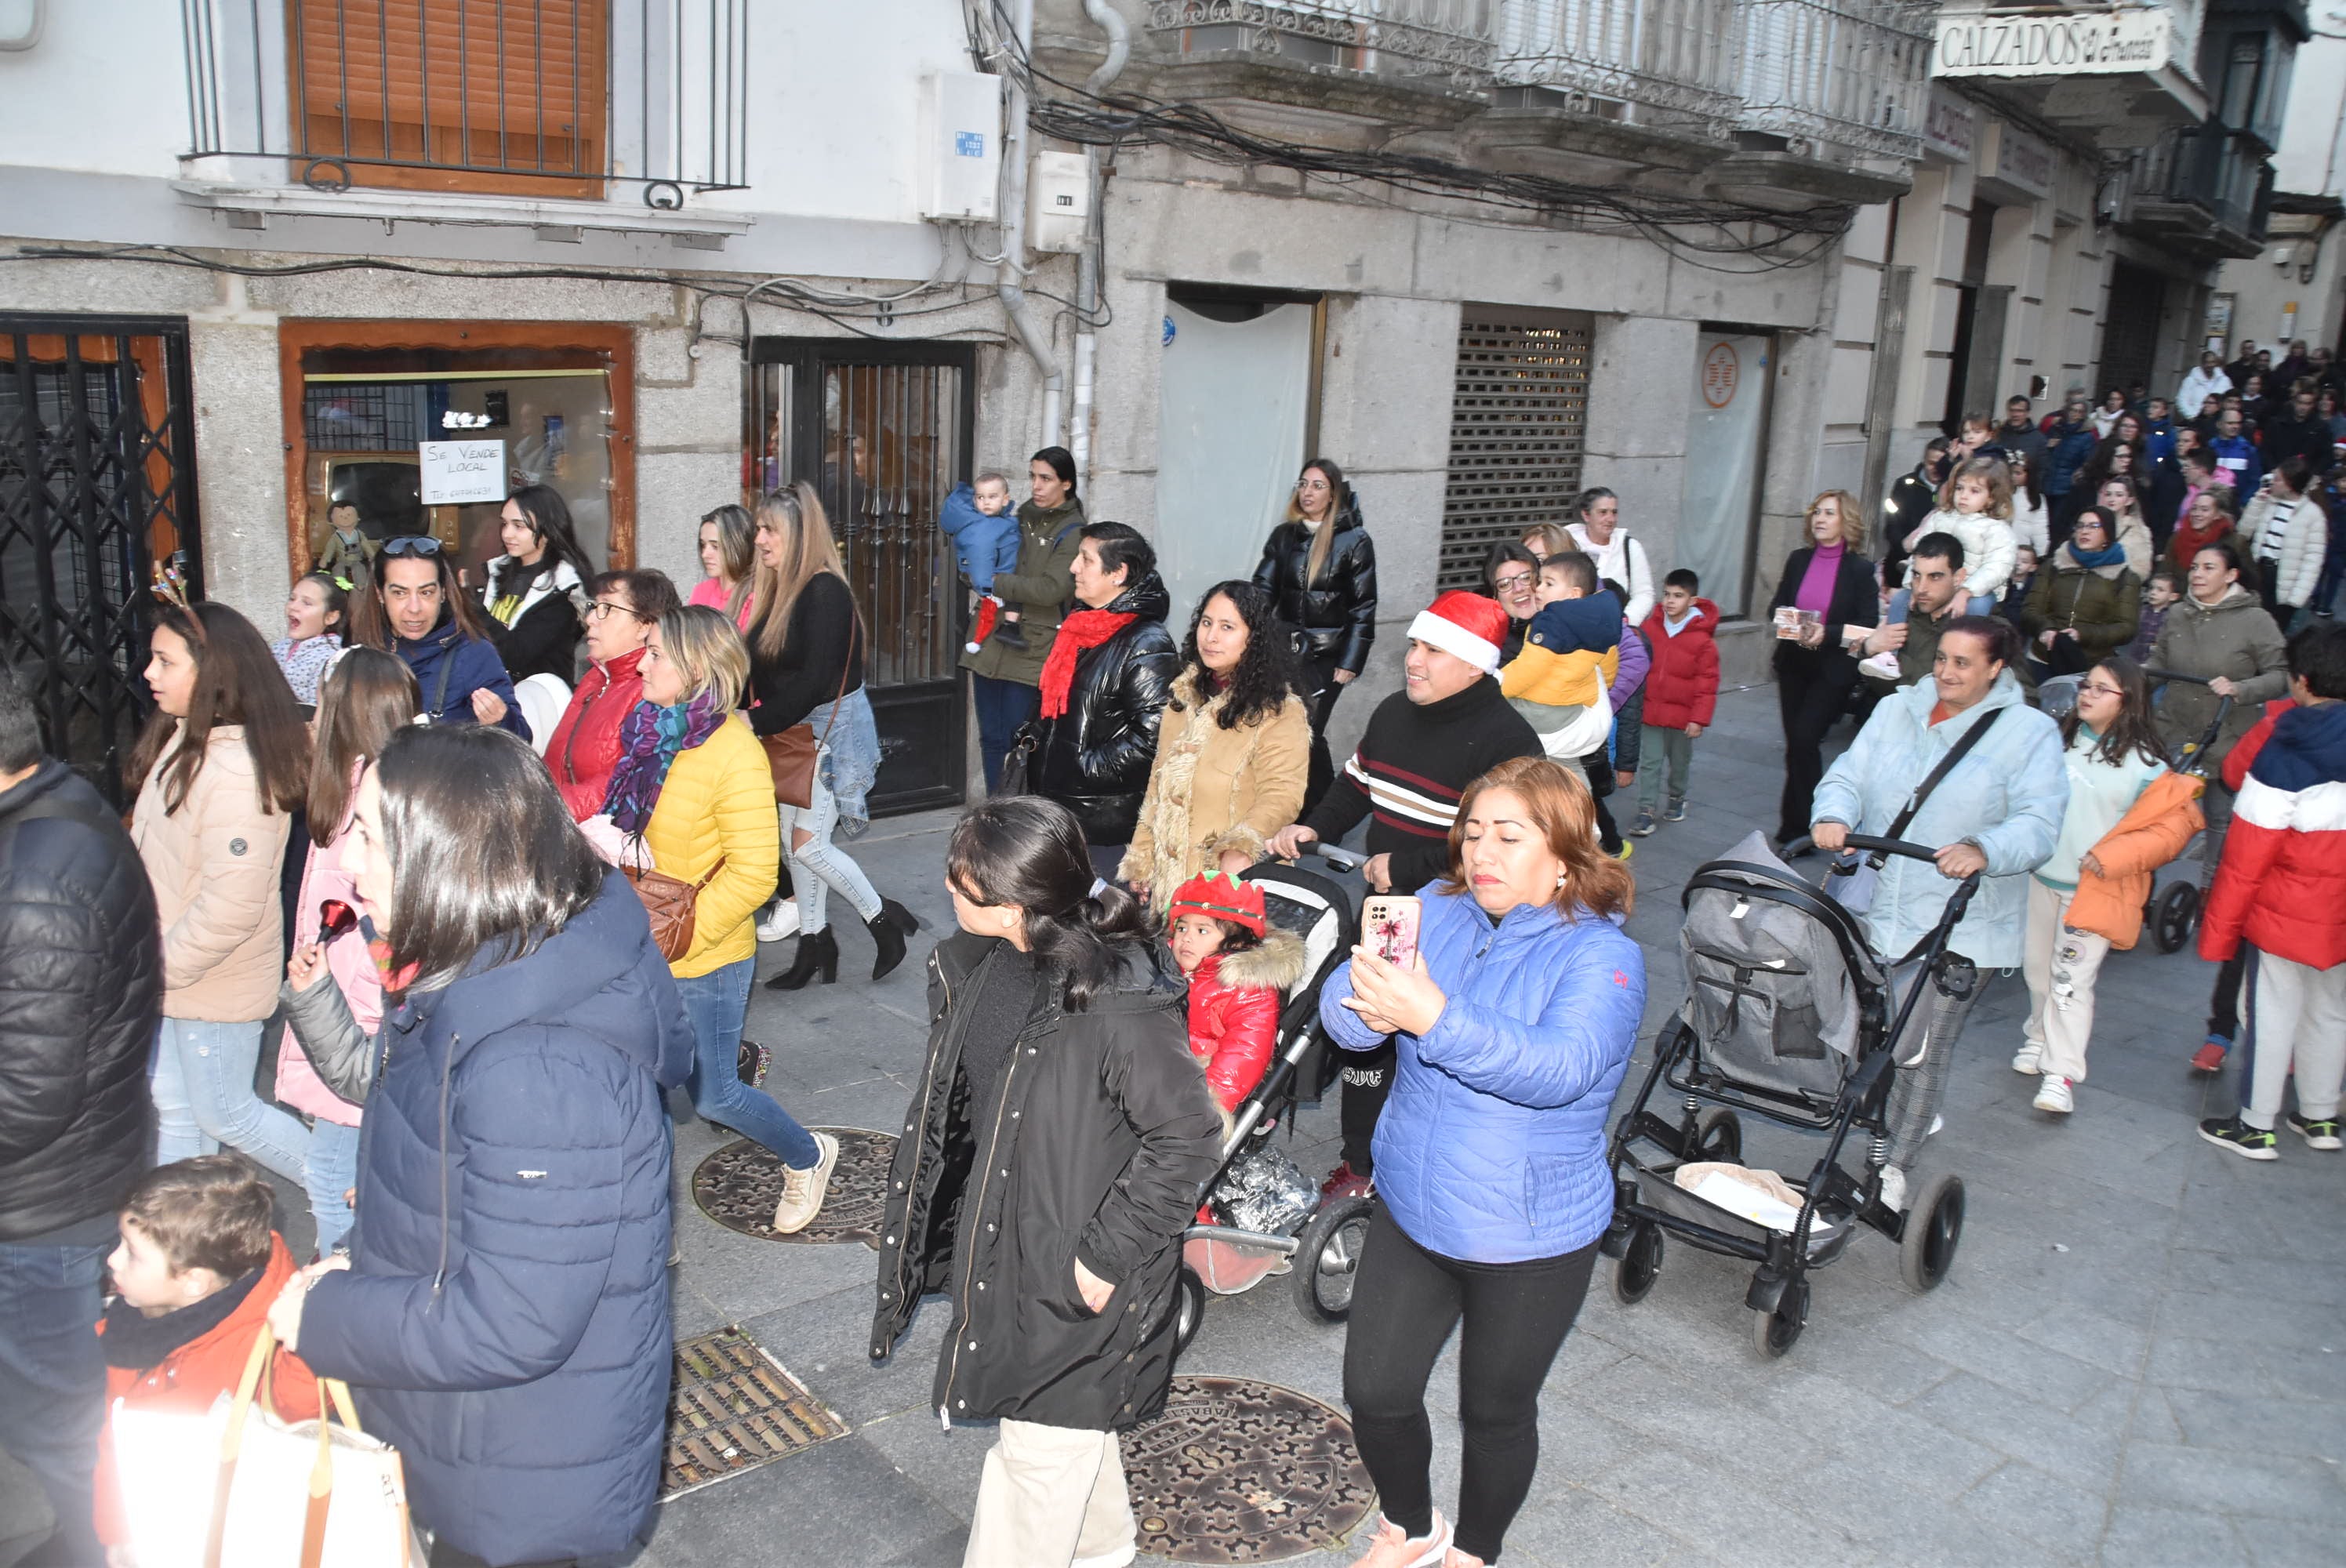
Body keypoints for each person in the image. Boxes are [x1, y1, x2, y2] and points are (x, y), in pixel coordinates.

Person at [264, 723, 693, 1568]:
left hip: (516, 1485)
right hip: (471, 1441)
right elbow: (447, 1197)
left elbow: (514, 1320)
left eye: (372, 835)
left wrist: (322, 1317)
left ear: (449, 862)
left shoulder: (537, 1061)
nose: (349, 859)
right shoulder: (476, 973)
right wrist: (363, 1258)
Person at [868, 796, 1223, 1568]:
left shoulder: (1119, 1006)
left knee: (1035, 1452)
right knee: (1061, 1429)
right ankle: (1103, 1548)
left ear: (1014, 904)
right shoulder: (981, 961)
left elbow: (1189, 1135)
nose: (948, 888)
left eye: (962, 881)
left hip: (1077, 1261)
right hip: (1014, 1240)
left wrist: (1103, 1254)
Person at [1322, 756, 1643, 1568]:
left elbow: (1560, 1068)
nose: (1481, 853)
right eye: (1471, 833)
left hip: (1528, 1233)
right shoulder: (1437, 906)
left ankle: (1475, 1548)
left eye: (1508, 835)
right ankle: (1411, 1523)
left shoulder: (1603, 956)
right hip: (1413, 1202)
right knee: (1376, 1390)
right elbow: (1346, 1013)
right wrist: (1366, 1004)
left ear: (1566, 853)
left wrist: (1430, 1015)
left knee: (1494, 1411)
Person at [1267, 592, 1542, 1200]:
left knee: (1435, 1052)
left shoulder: (1510, 743)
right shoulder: (1393, 713)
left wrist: (1412, 865)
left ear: (1474, 664)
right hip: (1389, 913)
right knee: (1367, 1038)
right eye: (1414, 645)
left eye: (1431, 649)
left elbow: (1502, 850)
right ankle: (1361, 1165)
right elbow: (1356, 786)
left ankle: (1442, 1169)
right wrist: (1318, 827)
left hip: (1466, 928)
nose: (1412, 659)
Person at [1811, 616, 2066, 1209]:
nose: (1947, 672)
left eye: (1964, 663)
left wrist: (1985, 849)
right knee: (1872, 1031)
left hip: (1964, 921)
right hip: (1879, 907)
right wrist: (1834, 813)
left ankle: (1893, 1167)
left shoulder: (2028, 733)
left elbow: (2039, 822)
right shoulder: (1897, 709)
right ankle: (1895, 1115)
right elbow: (1849, 772)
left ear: (1997, 668)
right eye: (1943, 659)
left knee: (1922, 1047)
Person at [606, 604, 840, 1233]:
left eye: (656, 653)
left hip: (704, 953)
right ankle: (642, 1214)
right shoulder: (651, 727)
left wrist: (679, 939)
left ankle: (810, 1155)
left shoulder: (733, 751)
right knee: (639, 1080)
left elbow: (756, 874)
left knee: (715, 1096)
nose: (643, 662)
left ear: (697, 667)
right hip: (645, 936)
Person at [0, 661, 161, 1568]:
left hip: (43, 1208)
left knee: (56, 1419)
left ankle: (100, 1548)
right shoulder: (43, 822)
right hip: (63, 1182)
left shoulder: (39, 878)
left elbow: (28, 1092)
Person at [130, 601, 313, 1186]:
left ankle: (347, 1190)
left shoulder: (236, 770)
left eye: (165, 661)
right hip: (175, 975)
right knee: (180, 1116)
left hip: (211, 983)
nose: (149, 674)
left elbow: (230, 908)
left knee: (229, 1113)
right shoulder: (186, 738)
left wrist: (159, 968)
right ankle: (179, 1240)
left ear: (213, 672)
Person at [92, 1156, 321, 1555]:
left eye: (132, 1253)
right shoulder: (137, 1315)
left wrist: (309, 1336)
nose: (112, 1260)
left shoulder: (262, 1341)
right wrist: (117, 1528)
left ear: (194, 1281)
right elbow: (114, 1435)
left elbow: (297, 1404)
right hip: (148, 1516)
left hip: (222, 1536)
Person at [2010, 658, 2203, 1115]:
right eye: (2085, 685)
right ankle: (2039, 1037)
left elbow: (2171, 831)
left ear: (2128, 701)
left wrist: (2111, 858)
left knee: (2070, 982)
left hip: (2094, 890)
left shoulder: (2149, 766)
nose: (2087, 695)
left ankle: (2061, 1073)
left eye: (2101, 689)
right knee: (2037, 971)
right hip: (2042, 877)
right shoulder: (2058, 741)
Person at [748, 483, 920, 988]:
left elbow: (815, 682)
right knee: (792, 843)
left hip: (829, 732)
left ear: (798, 536)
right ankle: (815, 945)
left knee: (807, 848)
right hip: (794, 734)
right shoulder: (781, 588)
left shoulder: (825, 592)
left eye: (768, 530)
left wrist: (753, 722)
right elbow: (763, 670)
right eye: (759, 528)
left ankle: (883, 923)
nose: (758, 539)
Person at [278, 648, 418, 1257]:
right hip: (336, 1003)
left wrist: (356, 1010)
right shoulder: (358, 784)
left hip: (352, 1019)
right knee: (339, 1174)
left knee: (334, 1179)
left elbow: (383, 931)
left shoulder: (375, 799)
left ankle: (342, 1290)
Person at [2194, 623, 2346, 1160]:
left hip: (2284, 909)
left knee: (2271, 1013)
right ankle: (2320, 1117)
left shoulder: (2284, 744)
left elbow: (2247, 853)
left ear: (2301, 681)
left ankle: (2257, 1124)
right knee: (2332, 1012)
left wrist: (2221, 929)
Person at [1120, 580, 1309, 911]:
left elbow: (1282, 795)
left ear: (1254, 638)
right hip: (1169, 881)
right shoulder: (1183, 697)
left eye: (1227, 627)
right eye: (1206, 623)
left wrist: (1239, 847)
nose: (1211, 637)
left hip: (1231, 884)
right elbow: (1157, 786)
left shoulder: (1278, 710)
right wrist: (1143, 854)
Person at [1030, 521, 1181, 881]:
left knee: (1097, 924)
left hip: (1102, 824)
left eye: (1085, 560)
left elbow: (1154, 739)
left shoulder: (1147, 643)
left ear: (1118, 573)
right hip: (1061, 811)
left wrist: (1080, 767)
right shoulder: (1083, 626)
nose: (1073, 568)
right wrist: (1034, 735)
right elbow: (1064, 705)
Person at [1252, 458, 1378, 813]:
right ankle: (1302, 807)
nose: (1308, 492)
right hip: (1287, 650)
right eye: (1303, 484)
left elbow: (1363, 605)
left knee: (1306, 731)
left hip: (1328, 657)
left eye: (1318, 485)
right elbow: (1263, 588)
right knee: (1288, 730)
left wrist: (1351, 662)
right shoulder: (1285, 536)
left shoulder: (1355, 541)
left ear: (1334, 493)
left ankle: (1321, 812)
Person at [964, 447, 1086, 793]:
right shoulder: (1015, 518)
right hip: (990, 637)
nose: (1036, 485)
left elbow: (1052, 589)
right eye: (1033, 476)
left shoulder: (1074, 530)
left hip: (1033, 645)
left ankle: (1016, 820)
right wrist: (972, 566)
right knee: (990, 737)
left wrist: (994, 581)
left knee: (1019, 741)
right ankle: (994, 810)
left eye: (1045, 478)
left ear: (1066, 483)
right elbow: (982, 559)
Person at [1497, 552, 1627, 855]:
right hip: (1573, 714)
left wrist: (1495, 687)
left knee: (1498, 736)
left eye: (1548, 583)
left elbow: (1529, 669)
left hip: (1541, 712)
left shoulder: (1553, 621)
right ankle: (1584, 825)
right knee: (1569, 770)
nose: (1537, 589)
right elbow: (1608, 669)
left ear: (1574, 594)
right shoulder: (1601, 624)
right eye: (1539, 581)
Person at [1771, 491, 1879, 846]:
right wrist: (1793, 623)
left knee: (1805, 738)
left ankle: (1800, 827)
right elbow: (1778, 606)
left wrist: (1827, 634)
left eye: (1829, 513)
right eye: (1816, 511)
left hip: (1833, 667)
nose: (1819, 518)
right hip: (1794, 662)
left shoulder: (1860, 570)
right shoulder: (1798, 559)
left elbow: (1866, 627)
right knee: (1797, 746)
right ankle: (1803, 823)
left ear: (1845, 520)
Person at [542, 568, 684, 822]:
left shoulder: (652, 690)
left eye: (607, 609)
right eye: (594, 607)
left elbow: (624, 780)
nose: (591, 619)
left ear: (644, 626)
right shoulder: (595, 677)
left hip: (598, 836)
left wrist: (550, 811)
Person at [347, 536, 528, 735]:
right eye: (400, 593)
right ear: (380, 594)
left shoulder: (472, 654)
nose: (414, 608)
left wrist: (501, 720)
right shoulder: (361, 650)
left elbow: (521, 738)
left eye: (426, 593)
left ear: (443, 593)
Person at [1166, 871, 1306, 1112]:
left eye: (1202, 931)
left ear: (1237, 941)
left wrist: (1207, 1106)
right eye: (1181, 928)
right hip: (1152, 1059)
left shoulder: (1249, 989)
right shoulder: (1163, 964)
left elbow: (1244, 1052)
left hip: (1196, 1078)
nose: (1186, 938)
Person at [1632, 568, 1720, 836]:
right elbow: (1638, 662)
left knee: (1679, 761)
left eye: (1678, 596)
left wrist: (1698, 719)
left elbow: (1707, 682)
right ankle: (1646, 810)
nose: (1670, 601)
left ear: (1692, 601)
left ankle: (1677, 797)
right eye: (1667, 594)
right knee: (1650, 761)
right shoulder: (1650, 628)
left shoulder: (1702, 640)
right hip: (1652, 710)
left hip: (1683, 716)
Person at [480, 484, 596, 687]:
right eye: (504, 524)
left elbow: (515, 653)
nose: (507, 534)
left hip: (540, 703)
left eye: (519, 526)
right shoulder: (496, 571)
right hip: (493, 695)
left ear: (547, 529)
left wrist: (473, 611)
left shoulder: (564, 588)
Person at [2021, 508, 2142, 677]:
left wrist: (2083, 635)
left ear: (2108, 533)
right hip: (2041, 657)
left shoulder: (2125, 577)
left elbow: (2126, 628)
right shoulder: (2053, 566)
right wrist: (2046, 629)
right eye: (2080, 525)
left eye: (2094, 526)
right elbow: (2030, 609)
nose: (2085, 531)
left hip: (2091, 667)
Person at [1905, 456, 2018, 613]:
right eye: (1959, 488)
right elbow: (1919, 554)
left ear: (1991, 498)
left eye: (1974, 491)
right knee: (1901, 600)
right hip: (1933, 584)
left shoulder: (1998, 530)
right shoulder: (1939, 518)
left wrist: (1967, 590)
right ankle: (1894, 635)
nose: (1964, 496)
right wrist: (1913, 586)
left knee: (1977, 606)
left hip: (1976, 591)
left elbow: (1997, 567)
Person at [942, 470, 1027, 652]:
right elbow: (981, 558)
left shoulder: (997, 521)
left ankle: (981, 628)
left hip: (994, 572)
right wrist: (987, 588)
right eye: (981, 497)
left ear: (1005, 500)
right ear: (974, 500)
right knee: (1010, 596)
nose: (986, 502)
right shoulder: (985, 526)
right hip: (991, 577)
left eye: (992, 497)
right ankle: (1009, 627)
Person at [2242, 456, 2330, 627]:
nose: (2272, 482)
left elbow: (2313, 560)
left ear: (2289, 484)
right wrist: (2257, 502)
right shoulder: (2268, 503)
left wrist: (2297, 597)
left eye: (2277, 479)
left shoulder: (2313, 515)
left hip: (2283, 581)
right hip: (2258, 572)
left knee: (2273, 630)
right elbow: (2244, 532)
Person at [1564, 486, 1654, 622]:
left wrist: (1625, 620)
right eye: (1603, 512)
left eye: (1614, 512)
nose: (1610, 519)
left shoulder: (1630, 547)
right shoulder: (1567, 543)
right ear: (1586, 515)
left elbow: (1644, 594)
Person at [272, 570, 348, 707]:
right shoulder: (279, 648)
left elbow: (319, 712)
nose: (293, 607)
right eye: (292, 599)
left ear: (331, 617)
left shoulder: (331, 659)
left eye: (307, 603)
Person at [1883, 438, 1948, 582]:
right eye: (1931, 463)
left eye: (1941, 464)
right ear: (1924, 461)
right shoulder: (1905, 485)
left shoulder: (1954, 490)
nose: (1936, 469)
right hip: (1901, 562)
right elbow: (1892, 523)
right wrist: (1901, 548)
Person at [690, 502, 759, 630]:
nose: (705, 554)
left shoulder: (754, 598)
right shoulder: (702, 590)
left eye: (715, 546)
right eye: (703, 545)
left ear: (738, 546)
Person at [2043, 396, 2100, 539]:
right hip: (2047, 481)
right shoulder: (2055, 429)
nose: (2076, 414)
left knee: (2058, 523)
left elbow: (2088, 461)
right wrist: (2048, 446)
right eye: (2073, 410)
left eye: (2080, 411)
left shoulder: (2086, 436)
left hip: (2067, 487)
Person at [2167, 487, 2252, 575]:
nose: (2197, 514)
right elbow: (2165, 573)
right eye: (2194, 509)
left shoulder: (2236, 543)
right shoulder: (2177, 538)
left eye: (2204, 510)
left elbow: (2249, 580)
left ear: (2218, 515)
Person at [1482, 542, 1542, 662]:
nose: (1518, 589)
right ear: (1494, 596)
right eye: (1504, 585)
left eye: (1526, 578)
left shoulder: (1568, 627)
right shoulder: (1487, 649)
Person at [2089, 473, 2156, 579]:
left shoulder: (2139, 531)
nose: (2112, 499)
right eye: (2108, 494)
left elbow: (2141, 570)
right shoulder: (2091, 523)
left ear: (2130, 500)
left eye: (2119, 495)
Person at [2260, 382, 2332, 475]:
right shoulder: (2276, 424)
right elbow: (2265, 451)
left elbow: (2327, 456)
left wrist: (2315, 475)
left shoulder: (2321, 428)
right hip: (2278, 476)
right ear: (2293, 401)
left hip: (2307, 479)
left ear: (2314, 404)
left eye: (2308, 404)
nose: (2303, 407)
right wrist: (2274, 470)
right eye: (2300, 402)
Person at [2125, 568, 2184, 663]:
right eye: (2151, 588)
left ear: (2173, 596)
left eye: (2160, 590)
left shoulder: (2172, 615)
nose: (2153, 592)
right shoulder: (2140, 611)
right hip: (2133, 659)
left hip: (2156, 663)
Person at [314, 499, 378, 583]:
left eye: (349, 515)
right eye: (341, 516)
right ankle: (338, 589)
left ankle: (360, 588)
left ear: (358, 518)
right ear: (331, 521)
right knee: (338, 571)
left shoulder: (360, 535)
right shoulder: (335, 537)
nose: (345, 518)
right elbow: (329, 550)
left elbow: (366, 546)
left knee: (360, 570)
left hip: (356, 560)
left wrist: (373, 557)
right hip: (342, 561)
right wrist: (325, 560)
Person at [2210, 407, 2261, 500]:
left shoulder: (2249, 450)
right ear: (2219, 424)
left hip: (2237, 505)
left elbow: (2254, 481)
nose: (2235, 426)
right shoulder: (2209, 448)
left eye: (2238, 423)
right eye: (2230, 423)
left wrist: (2243, 503)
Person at [2178, 351, 2232, 422]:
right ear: (2202, 363)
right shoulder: (2190, 380)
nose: (2210, 365)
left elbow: (2230, 400)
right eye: (2207, 362)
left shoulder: (2224, 380)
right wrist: (2192, 416)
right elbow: (2182, 400)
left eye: (2212, 362)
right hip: (2196, 420)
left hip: (2219, 421)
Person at [1997, 396, 2049, 466]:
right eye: (2012, 410)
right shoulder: (1998, 434)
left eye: (2020, 411)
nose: (2015, 415)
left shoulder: (2039, 440)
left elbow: (2043, 469)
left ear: (2027, 413)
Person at [1999, 544, 2040, 625]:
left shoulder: (2033, 585)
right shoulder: (2002, 579)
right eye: (2015, 559)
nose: (2017, 563)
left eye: (2024, 562)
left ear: (2033, 568)